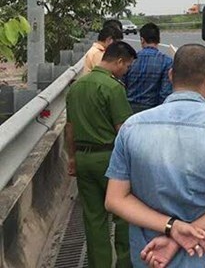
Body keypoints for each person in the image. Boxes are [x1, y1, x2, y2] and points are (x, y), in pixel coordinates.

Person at [105, 44, 205, 268]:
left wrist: (172, 228)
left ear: (171, 75)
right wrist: (183, 235)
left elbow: (115, 199)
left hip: (151, 257)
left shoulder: (132, 127)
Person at [65, 40, 137, 268]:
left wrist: (73, 158)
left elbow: (69, 128)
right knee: (124, 215)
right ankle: (125, 263)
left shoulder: (76, 87)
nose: (126, 71)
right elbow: (123, 131)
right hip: (109, 159)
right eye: (126, 67)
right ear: (119, 61)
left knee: (94, 218)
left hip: (84, 158)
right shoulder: (113, 88)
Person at [124, 22, 173, 113]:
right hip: (153, 110)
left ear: (142, 40)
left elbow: (122, 86)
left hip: (129, 110)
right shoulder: (167, 62)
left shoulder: (130, 60)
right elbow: (165, 93)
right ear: (159, 40)